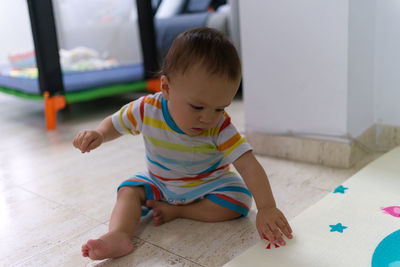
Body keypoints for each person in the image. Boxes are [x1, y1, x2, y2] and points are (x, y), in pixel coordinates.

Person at [73, 27, 293, 260]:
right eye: (197, 107)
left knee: (239, 199)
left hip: (208, 184)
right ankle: (118, 234)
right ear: (166, 88)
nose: (208, 118)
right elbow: (115, 123)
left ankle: (179, 210)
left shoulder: (220, 127)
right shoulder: (146, 109)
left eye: (220, 108)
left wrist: (267, 207)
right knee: (129, 190)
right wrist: (99, 133)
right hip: (159, 182)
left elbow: (248, 165)